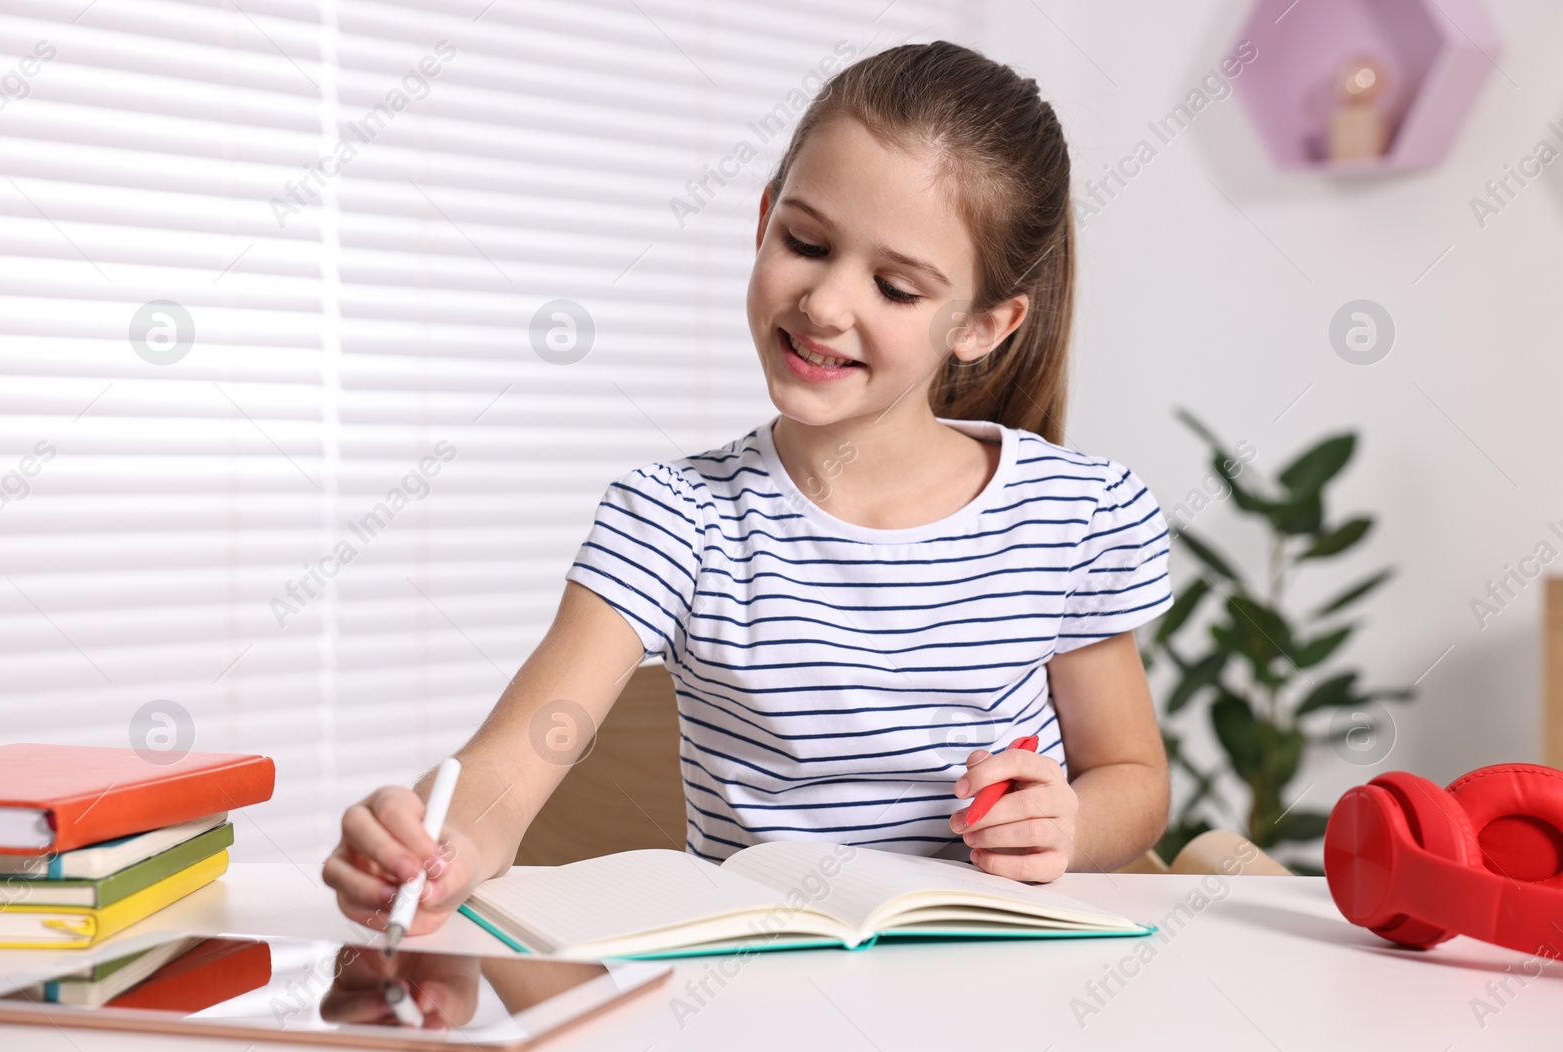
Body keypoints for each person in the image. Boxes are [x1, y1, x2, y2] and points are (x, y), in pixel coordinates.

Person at [324, 40, 1173, 937]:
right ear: (765, 217)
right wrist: (428, 843)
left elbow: (1135, 777)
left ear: (983, 324)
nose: (825, 304)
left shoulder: (1072, 516)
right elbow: (509, 768)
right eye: (806, 242)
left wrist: (1067, 825)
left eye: (893, 286)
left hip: (994, 982)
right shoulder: (674, 520)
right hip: (758, 991)